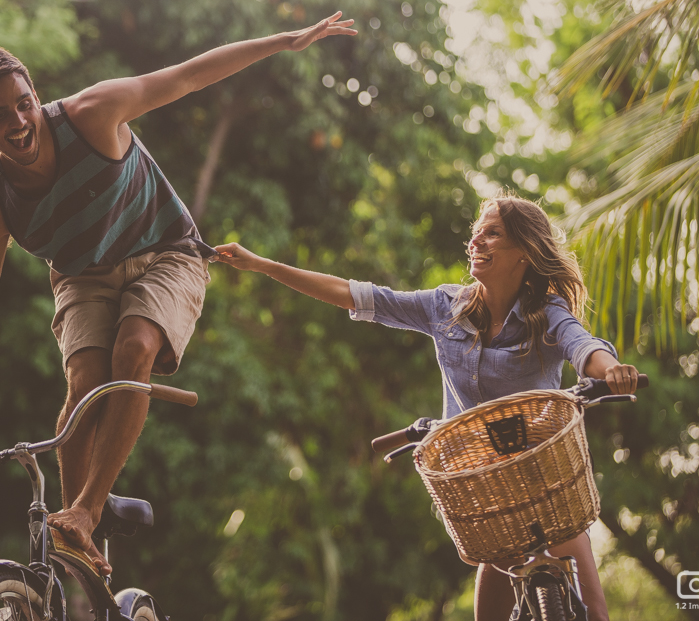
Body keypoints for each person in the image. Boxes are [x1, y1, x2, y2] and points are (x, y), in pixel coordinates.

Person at [0, 12, 357, 575]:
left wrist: (286, 40)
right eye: (0, 116)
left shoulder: (93, 113)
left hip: (167, 251)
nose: (20, 122)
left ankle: (86, 509)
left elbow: (189, 76)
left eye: (24, 104)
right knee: (83, 385)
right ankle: (76, 542)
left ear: (36, 94)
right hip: (82, 276)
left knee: (133, 349)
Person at [214, 192, 638, 621]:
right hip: (486, 487)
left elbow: (583, 346)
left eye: (493, 234)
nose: (478, 242)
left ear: (524, 253)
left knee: (595, 615)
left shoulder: (547, 313)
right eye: (477, 233)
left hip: (544, 479)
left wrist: (611, 370)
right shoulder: (444, 308)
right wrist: (262, 265)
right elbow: (356, 296)